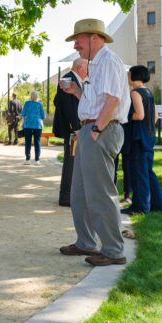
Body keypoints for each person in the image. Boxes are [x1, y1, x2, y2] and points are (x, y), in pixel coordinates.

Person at [58, 18, 130, 267]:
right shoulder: (95, 64)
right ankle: (86, 242)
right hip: (91, 129)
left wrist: (97, 129)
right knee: (79, 192)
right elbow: (95, 101)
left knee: (100, 193)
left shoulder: (109, 61)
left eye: (79, 39)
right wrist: (76, 93)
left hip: (102, 129)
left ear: (95, 38)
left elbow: (113, 101)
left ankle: (113, 250)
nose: (76, 44)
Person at [121, 65, 162, 214]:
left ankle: (140, 207)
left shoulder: (135, 92)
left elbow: (139, 115)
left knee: (139, 173)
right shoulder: (148, 91)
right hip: (148, 135)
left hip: (137, 137)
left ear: (134, 76)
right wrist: (148, 130)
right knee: (148, 171)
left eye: (129, 74)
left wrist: (123, 116)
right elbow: (155, 116)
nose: (127, 77)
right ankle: (157, 204)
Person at [53, 58, 88, 206]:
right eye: (88, 67)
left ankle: (70, 195)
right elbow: (69, 107)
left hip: (73, 129)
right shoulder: (68, 80)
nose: (89, 71)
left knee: (74, 161)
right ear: (80, 67)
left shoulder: (72, 79)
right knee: (71, 162)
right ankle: (66, 196)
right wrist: (77, 128)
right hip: (73, 130)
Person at [21, 91, 45, 164]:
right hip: (37, 125)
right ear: (37, 96)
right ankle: (37, 160)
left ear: (30, 96)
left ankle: (27, 160)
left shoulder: (27, 103)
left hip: (27, 125)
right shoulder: (40, 104)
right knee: (37, 142)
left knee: (28, 142)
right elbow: (43, 116)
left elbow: (23, 114)